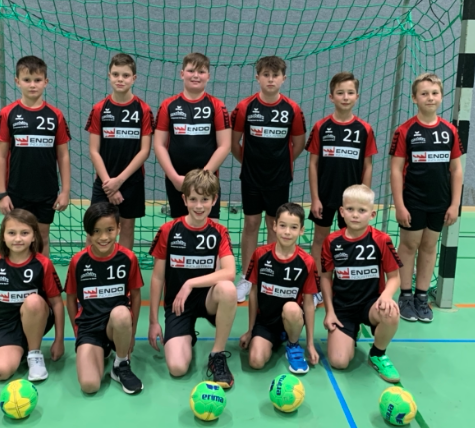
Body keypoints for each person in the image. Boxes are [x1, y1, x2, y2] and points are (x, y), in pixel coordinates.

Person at [148, 169, 237, 388]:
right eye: (194, 199)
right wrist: (153, 321)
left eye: (205, 200)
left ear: (214, 200)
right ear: (184, 199)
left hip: (207, 299)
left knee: (228, 289)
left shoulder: (219, 232)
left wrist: (190, 283)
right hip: (178, 304)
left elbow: (230, 272)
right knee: (177, 368)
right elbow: (157, 278)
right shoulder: (169, 230)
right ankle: (187, 332)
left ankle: (217, 355)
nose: (199, 206)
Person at [390, 72, 464, 323]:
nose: (430, 97)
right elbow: (396, 170)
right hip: (413, 200)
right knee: (409, 245)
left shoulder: (449, 131)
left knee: (429, 246)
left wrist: (454, 204)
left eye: (434, 93)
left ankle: (421, 297)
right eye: (424, 93)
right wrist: (399, 205)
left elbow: (456, 169)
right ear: (414, 98)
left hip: (439, 201)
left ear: (441, 96)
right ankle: (405, 296)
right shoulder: (405, 131)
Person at [231, 56, 307, 303]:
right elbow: (234, 142)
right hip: (251, 177)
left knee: (275, 224)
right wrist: (249, 163)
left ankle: (271, 274)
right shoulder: (245, 107)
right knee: (251, 223)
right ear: (258, 77)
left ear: (284, 78)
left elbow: (298, 144)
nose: (271, 79)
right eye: (266, 75)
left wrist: (281, 163)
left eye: (275, 75)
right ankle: (246, 277)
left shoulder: (292, 109)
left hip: (279, 178)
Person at [306, 72, 377, 303]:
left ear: (357, 96)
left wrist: (363, 198)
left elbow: (367, 165)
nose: (345, 97)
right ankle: (317, 285)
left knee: (351, 239)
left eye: (350, 93)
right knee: (320, 238)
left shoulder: (364, 129)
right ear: (331, 97)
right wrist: (315, 198)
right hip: (325, 194)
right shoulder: (321, 126)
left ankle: (345, 284)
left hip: (352, 199)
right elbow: (313, 164)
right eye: (340, 93)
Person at [321, 185, 402, 383]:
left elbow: (394, 277)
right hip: (343, 307)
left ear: (372, 214)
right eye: (350, 209)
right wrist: (329, 311)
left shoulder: (382, 240)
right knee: (339, 362)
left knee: (391, 311)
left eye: (362, 210)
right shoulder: (332, 241)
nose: (355, 215)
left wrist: (386, 296)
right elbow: (325, 278)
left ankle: (377, 354)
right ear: (342, 212)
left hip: (371, 304)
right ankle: (351, 332)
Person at [0, 55, 71, 257]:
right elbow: (0, 155)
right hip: (17, 190)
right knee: (17, 238)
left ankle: (43, 276)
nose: (32, 85)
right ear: (17, 81)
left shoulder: (55, 115)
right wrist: (1, 193)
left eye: (37, 80)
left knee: (42, 236)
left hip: (46, 190)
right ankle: (17, 275)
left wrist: (65, 191)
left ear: (46, 82)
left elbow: (63, 155)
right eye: (27, 80)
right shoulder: (7, 113)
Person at [65, 202, 144, 395]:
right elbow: (71, 298)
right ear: (88, 232)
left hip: (116, 324)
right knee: (89, 386)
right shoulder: (78, 261)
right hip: (89, 327)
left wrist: (132, 332)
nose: (103, 237)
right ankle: (103, 350)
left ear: (118, 228)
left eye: (109, 230)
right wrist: (76, 330)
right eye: (96, 231)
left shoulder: (128, 258)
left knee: (121, 313)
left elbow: (135, 296)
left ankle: (121, 364)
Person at [0, 209, 65, 382]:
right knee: (0, 372)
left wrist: (59, 340)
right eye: (12, 233)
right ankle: (20, 348)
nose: (18, 239)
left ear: (34, 236)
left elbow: (57, 303)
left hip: (37, 317)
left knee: (33, 301)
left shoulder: (43, 263)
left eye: (24, 233)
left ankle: (34, 354)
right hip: (7, 325)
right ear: (3, 236)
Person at [239, 203, 319, 374]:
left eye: (293, 227)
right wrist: (250, 330)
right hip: (265, 322)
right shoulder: (260, 255)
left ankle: (293, 344)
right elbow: (253, 293)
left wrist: (310, 344)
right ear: (274, 226)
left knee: (291, 308)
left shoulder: (307, 262)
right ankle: (274, 338)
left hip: (291, 318)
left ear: (301, 230)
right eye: (282, 225)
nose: (287, 232)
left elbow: (309, 304)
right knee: (255, 361)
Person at [85, 53, 154, 250]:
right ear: (109, 76)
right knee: (94, 227)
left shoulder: (143, 109)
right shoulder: (99, 108)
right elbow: (93, 150)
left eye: (125, 75)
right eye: (116, 74)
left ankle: (123, 267)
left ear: (134, 78)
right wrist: (109, 184)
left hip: (131, 181)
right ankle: (91, 266)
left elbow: (144, 151)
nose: (120, 79)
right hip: (104, 181)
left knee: (126, 228)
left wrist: (119, 181)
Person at [153, 53, 231, 219]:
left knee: (210, 226)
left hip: (208, 179)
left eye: (201, 72)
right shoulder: (168, 105)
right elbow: (159, 144)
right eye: (191, 71)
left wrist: (203, 176)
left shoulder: (217, 106)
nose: (196, 75)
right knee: (180, 227)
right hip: (177, 181)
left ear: (208, 76)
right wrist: (174, 177)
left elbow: (225, 145)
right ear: (182, 74)